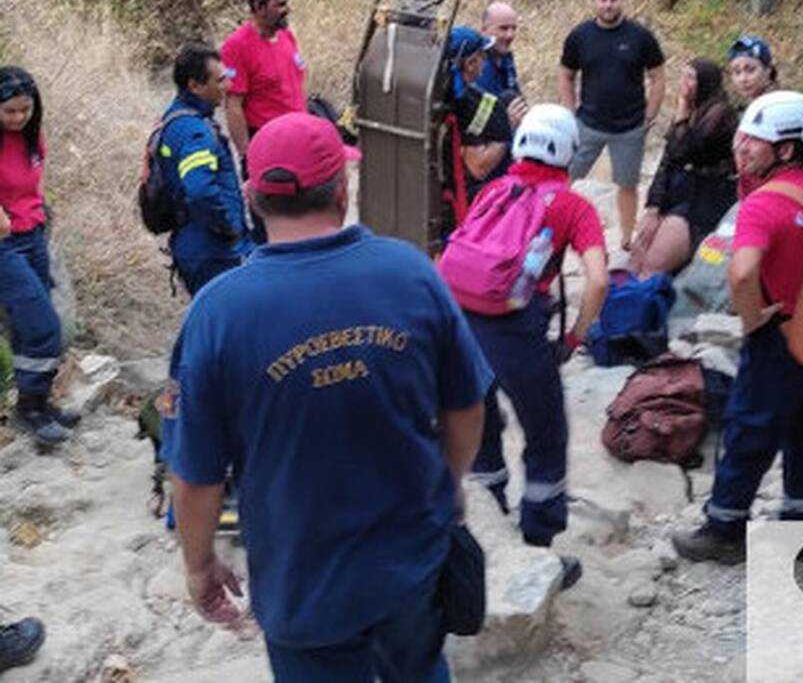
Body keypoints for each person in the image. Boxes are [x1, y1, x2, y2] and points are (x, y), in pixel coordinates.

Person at [162, 112, 493, 681]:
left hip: (302, 588)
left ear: (252, 198)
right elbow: (466, 407)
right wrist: (448, 484)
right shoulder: (411, 273)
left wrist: (198, 565)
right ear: (343, 189)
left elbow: (196, 475)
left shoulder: (217, 314)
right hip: (412, 567)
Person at [671, 92, 803, 565]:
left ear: (786, 148)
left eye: (754, 141)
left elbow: (741, 273)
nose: (742, 147)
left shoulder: (762, 204)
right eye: (743, 137)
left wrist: (752, 316)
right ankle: (802, 525)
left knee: (748, 428)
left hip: (777, 332)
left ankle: (724, 528)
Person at [461, 104, 608, 570]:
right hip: (516, 329)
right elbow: (598, 279)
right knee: (546, 433)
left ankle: (488, 521)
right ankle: (538, 544)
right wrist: (575, 337)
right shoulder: (572, 205)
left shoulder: (494, 189)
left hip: (462, 325)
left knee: (482, 426)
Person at [0, 66, 78, 446]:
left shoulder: (32, 137)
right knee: (42, 324)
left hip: (32, 234)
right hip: (4, 244)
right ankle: (29, 408)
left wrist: (40, 213)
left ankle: (39, 401)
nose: (18, 117)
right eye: (9, 111)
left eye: (24, 110)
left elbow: (35, 181)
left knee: (34, 325)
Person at [558, 0, 666, 250]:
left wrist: (650, 115)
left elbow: (658, 76)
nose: (608, 5)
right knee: (563, 178)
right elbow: (566, 74)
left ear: (622, 0)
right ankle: (554, 228)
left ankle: (626, 240)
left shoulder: (640, 36)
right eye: (603, 0)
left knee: (627, 184)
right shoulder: (580, 36)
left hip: (630, 126)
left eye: (613, 0)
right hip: (587, 123)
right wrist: (570, 113)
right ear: (595, 1)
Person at [159, 42, 254, 295]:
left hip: (197, 244)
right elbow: (200, 190)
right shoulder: (195, 133)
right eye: (220, 80)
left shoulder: (175, 118)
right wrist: (229, 228)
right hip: (212, 251)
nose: (228, 85)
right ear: (195, 86)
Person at [630, 58, 739, 276]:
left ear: (704, 82)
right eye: (683, 76)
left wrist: (681, 110)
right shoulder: (692, 110)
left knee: (653, 264)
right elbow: (667, 161)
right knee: (636, 257)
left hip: (701, 204)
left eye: (690, 77)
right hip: (676, 195)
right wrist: (653, 207)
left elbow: (686, 151)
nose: (683, 83)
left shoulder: (720, 113)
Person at [221, 0, 307, 245]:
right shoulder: (237, 46)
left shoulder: (287, 37)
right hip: (266, 145)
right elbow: (233, 105)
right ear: (259, 7)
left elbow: (296, 83)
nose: (286, 9)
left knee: (301, 219)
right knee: (271, 226)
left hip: (297, 141)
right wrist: (247, 155)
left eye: (285, 3)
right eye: (279, 4)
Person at [442, 26, 514, 206]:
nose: (485, 61)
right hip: (456, 197)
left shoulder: (435, 91)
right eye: (483, 55)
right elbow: (478, 168)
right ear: (470, 64)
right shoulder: (472, 104)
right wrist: (507, 133)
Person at [726, 35, 779, 199]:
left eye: (750, 70)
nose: (743, 79)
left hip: (772, 193)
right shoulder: (752, 108)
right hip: (752, 192)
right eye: (737, 72)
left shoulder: (776, 108)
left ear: (767, 70)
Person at [477, 2, 528, 129]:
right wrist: (504, 122)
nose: (510, 35)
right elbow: (475, 122)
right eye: (503, 28)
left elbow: (516, 100)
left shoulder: (506, 58)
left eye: (514, 28)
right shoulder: (476, 65)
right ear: (484, 30)